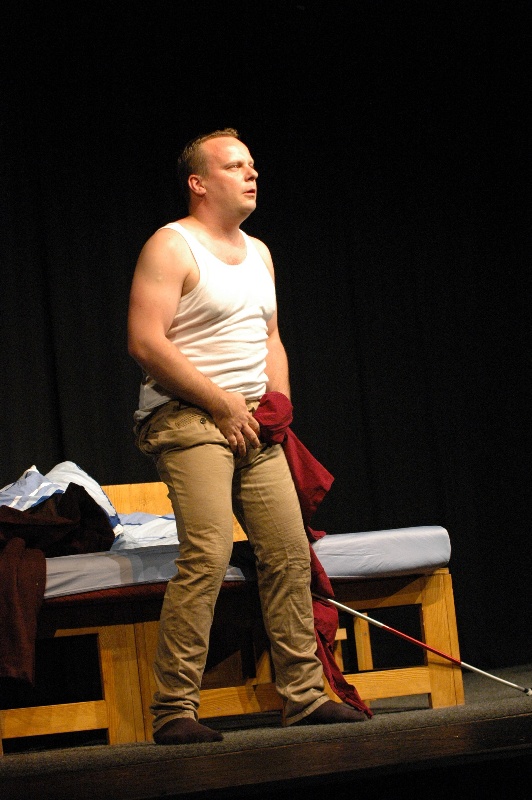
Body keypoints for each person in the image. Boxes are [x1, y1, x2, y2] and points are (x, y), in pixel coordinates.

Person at [127, 128, 369, 745]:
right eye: (234, 166)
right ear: (198, 183)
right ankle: (174, 710)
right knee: (208, 553)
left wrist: (276, 406)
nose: (251, 173)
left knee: (287, 552)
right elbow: (146, 342)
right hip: (186, 414)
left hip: (252, 421)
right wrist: (221, 403)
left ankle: (305, 697)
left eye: (252, 165)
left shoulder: (259, 252)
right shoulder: (171, 245)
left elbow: (270, 339)